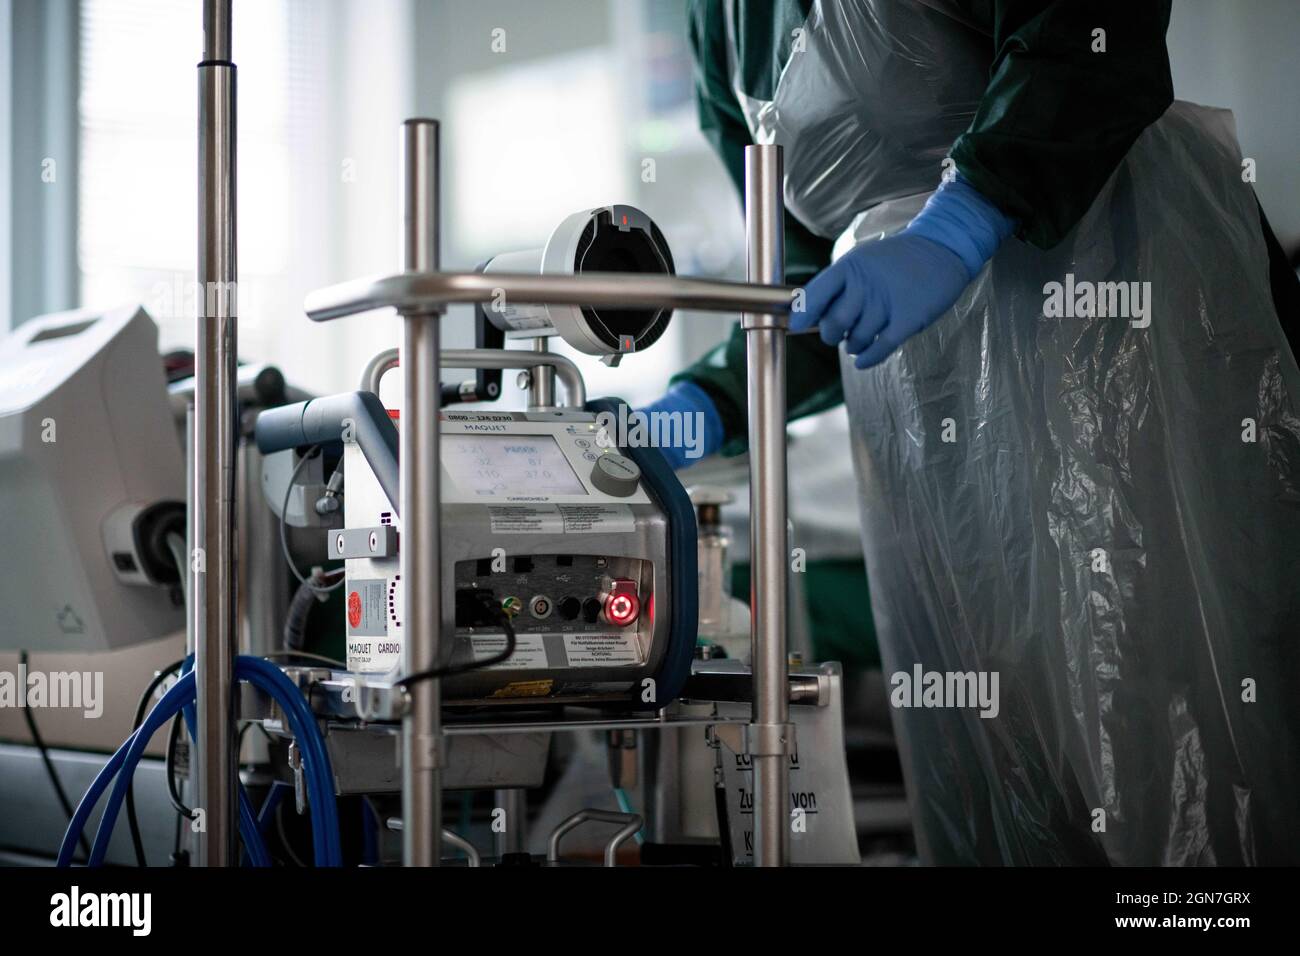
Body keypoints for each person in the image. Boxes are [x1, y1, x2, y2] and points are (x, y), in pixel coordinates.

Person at [645, 0, 1300, 864]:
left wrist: (960, 221)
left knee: (1176, 742)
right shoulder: (721, 21)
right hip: (932, 413)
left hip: (1124, 330)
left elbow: (1096, 32)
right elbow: (807, 280)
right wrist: (711, 399)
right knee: (1000, 767)